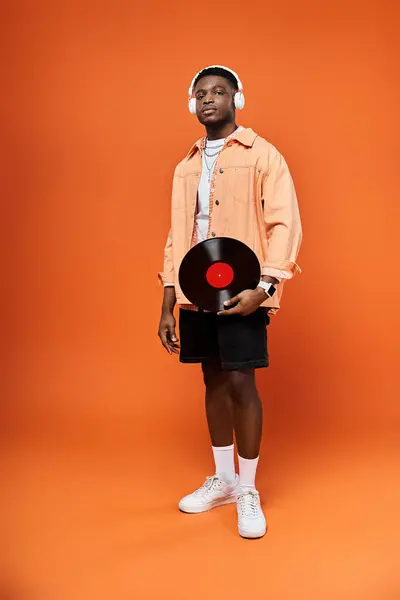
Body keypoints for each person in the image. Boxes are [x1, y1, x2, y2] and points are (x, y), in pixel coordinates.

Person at [157, 65, 302, 539]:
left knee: (241, 381)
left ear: (237, 98)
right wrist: (167, 301)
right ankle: (221, 479)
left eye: (219, 92)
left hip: (244, 291)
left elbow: (285, 223)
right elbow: (178, 236)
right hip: (197, 293)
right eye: (201, 93)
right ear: (191, 103)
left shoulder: (263, 156)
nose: (209, 99)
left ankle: (247, 489)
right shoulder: (186, 166)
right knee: (213, 379)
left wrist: (266, 287)